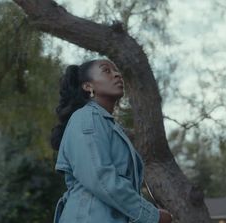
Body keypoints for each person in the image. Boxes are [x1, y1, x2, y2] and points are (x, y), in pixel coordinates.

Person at [50, 58, 173, 223]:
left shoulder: (107, 124)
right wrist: (152, 215)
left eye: (117, 71)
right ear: (88, 86)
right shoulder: (87, 117)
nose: (117, 75)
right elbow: (100, 177)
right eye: (106, 70)